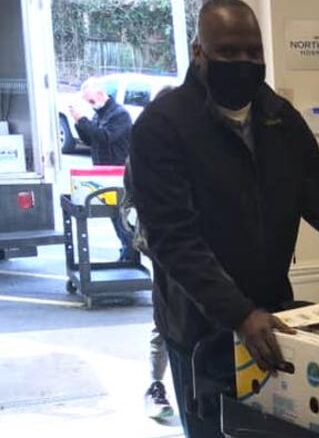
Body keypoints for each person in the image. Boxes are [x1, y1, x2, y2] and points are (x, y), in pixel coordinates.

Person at [129, 0, 319, 436]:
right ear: (199, 52)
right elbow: (174, 239)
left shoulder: (281, 120)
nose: (244, 63)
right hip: (198, 327)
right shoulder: (162, 127)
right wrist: (239, 314)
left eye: (253, 52)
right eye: (229, 52)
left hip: (272, 313)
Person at [120, 86, 177, 420]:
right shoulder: (142, 155)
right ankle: (155, 386)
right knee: (164, 320)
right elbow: (130, 205)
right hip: (160, 248)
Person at [70, 79, 133, 260]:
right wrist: (79, 122)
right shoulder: (100, 114)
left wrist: (82, 120)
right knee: (113, 213)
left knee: (121, 213)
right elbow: (91, 139)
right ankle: (126, 247)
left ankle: (130, 249)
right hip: (104, 171)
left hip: (118, 171)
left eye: (90, 101)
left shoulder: (119, 115)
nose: (90, 105)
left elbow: (105, 138)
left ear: (100, 95)